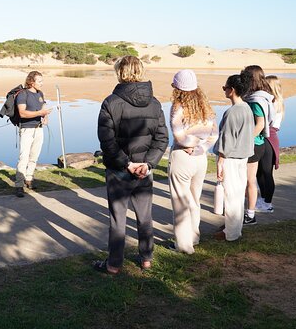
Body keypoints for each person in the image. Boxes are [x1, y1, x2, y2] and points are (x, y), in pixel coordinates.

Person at [94, 56, 168, 274]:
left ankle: (114, 264)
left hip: (123, 170)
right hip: (138, 168)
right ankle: (146, 258)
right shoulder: (153, 103)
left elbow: (106, 141)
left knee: (118, 218)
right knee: (144, 215)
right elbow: (162, 139)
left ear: (120, 72)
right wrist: (145, 164)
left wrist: (136, 164)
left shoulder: (111, 102)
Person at [167, 70, 218, 254]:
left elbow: (177, 133)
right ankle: (194, 237)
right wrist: (201, 148)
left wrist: (191, 145)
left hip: (183, 156)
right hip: (200, 159)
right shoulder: (205, 106)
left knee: (180, 200)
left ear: (177, 88)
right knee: (194, 199)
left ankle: (183, 245)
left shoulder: (178, 106)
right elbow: (214, 134)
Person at [213, 74, 255, 242]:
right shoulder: (246, 108)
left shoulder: (232, 112)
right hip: (243, 156)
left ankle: (230, 233)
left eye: (225, 88)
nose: (224, 90)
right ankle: (234, 229)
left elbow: (227, 139)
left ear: (232, 90)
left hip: (231, 157)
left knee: (231, 195)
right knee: (237, 194)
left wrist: (220, 161)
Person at [240, 65, 276, 226]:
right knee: (250, 180)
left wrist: (246, 140)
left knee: (248, 181)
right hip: (259, 143)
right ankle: (248, 213)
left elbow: (260, 124)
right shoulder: (265, 96)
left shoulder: (256, 100)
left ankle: (249, 214)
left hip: (254, 144)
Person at [14, 71, 53, 197]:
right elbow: (22, 113)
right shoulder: (23, 94)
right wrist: (40, 113)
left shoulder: (40, 93)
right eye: (39, 81)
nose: (42, 83)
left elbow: (43, 107)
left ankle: (29, 179)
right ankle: (19, 185)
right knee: (23, 157)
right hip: (26, 129)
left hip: (39, 128)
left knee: (34, 156)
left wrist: (45, 117)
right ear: (31, 81)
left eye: (42, 81)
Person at [256, 75, 285, 212]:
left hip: (269, 138)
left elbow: (269, 123)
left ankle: (268, 203)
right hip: (267, 136)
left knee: (267, 172)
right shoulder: (273, 101)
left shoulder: (274, 102)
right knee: (259, 172)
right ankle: (263, 199)